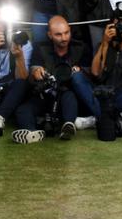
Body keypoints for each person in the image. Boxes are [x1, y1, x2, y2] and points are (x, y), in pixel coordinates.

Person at [12, 16, 93, 144]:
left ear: (70, 30)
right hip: (45, 94)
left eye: (67, 33)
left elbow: (90, 76)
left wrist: (80, 71)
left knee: (69, 97)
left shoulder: (81, 47)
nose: (64, 38)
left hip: (67, 94)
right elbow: (34, 69)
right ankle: (31, 133)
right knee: (23, 110)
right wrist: (36, 72)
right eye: (58, 34)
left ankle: (68, 126)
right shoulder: (40, 48)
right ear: (50, 35)